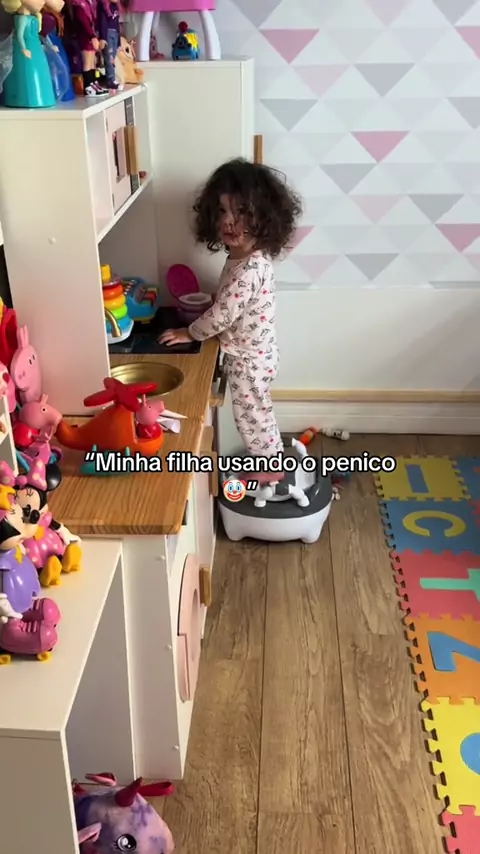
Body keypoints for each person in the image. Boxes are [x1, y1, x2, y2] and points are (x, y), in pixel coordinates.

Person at [158, 157, 302, 462]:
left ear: (265, 218)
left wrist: (189, 332)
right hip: (257, 353)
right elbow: (235, 302)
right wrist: (216, 299)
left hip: (248, 362)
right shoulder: (245, 257)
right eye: (222, 211)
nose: (229, 221)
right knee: (258, 414)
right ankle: (271, 456)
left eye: (241, 212)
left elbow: (223, 316)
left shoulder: (248, 268)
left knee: (253, 421)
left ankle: (270, 466)